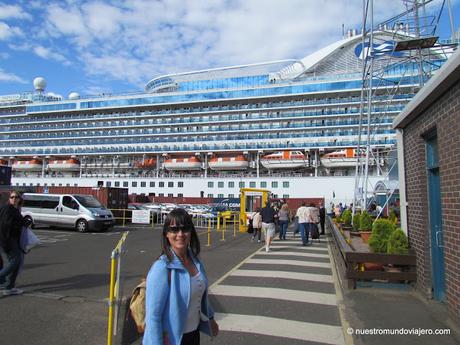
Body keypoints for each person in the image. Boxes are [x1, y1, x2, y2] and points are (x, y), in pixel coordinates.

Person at [143, 208, 219, 345]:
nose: (180, 234)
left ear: (191, 232)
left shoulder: (195, 262)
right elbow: (153, 317)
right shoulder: (161, 268)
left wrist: (210, 317)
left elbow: (200, 293)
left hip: (193, 335)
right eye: (174, 229)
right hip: (172, 339)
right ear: (166, 233)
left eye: (185, 229)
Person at [0, 190, 27, 296]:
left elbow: (17, 223)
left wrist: (24, 222)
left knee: (17, 261)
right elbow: (4, 226)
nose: (14, 199)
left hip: (14, 240)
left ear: (19, 199)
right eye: (12, 197)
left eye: (16, 197)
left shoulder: (15, 210)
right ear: (9, 199)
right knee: (15, 261)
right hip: (8, 240)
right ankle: (6, 283)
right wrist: (5, 243)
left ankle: (9, 287)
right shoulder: (8, 209)